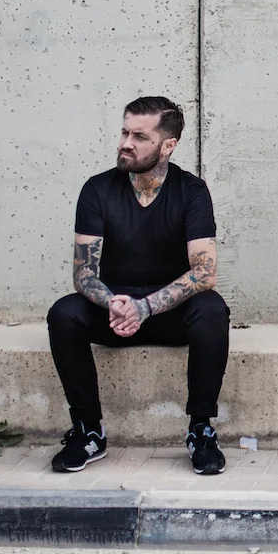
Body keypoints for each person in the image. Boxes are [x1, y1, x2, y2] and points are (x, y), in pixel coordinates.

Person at [46, 96, 228, 475]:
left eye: (139, 136)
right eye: (125, 131)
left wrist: (145, 307)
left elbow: (204, 272)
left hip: (168, 315)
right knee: (64, 314)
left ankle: (201, 429)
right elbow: (83, 273)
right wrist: (115, 303)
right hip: (113, 314)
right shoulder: (97, 189)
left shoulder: (191, 192)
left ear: (167, 145)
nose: (125, 142)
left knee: (211, 309)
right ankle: (88, 430)